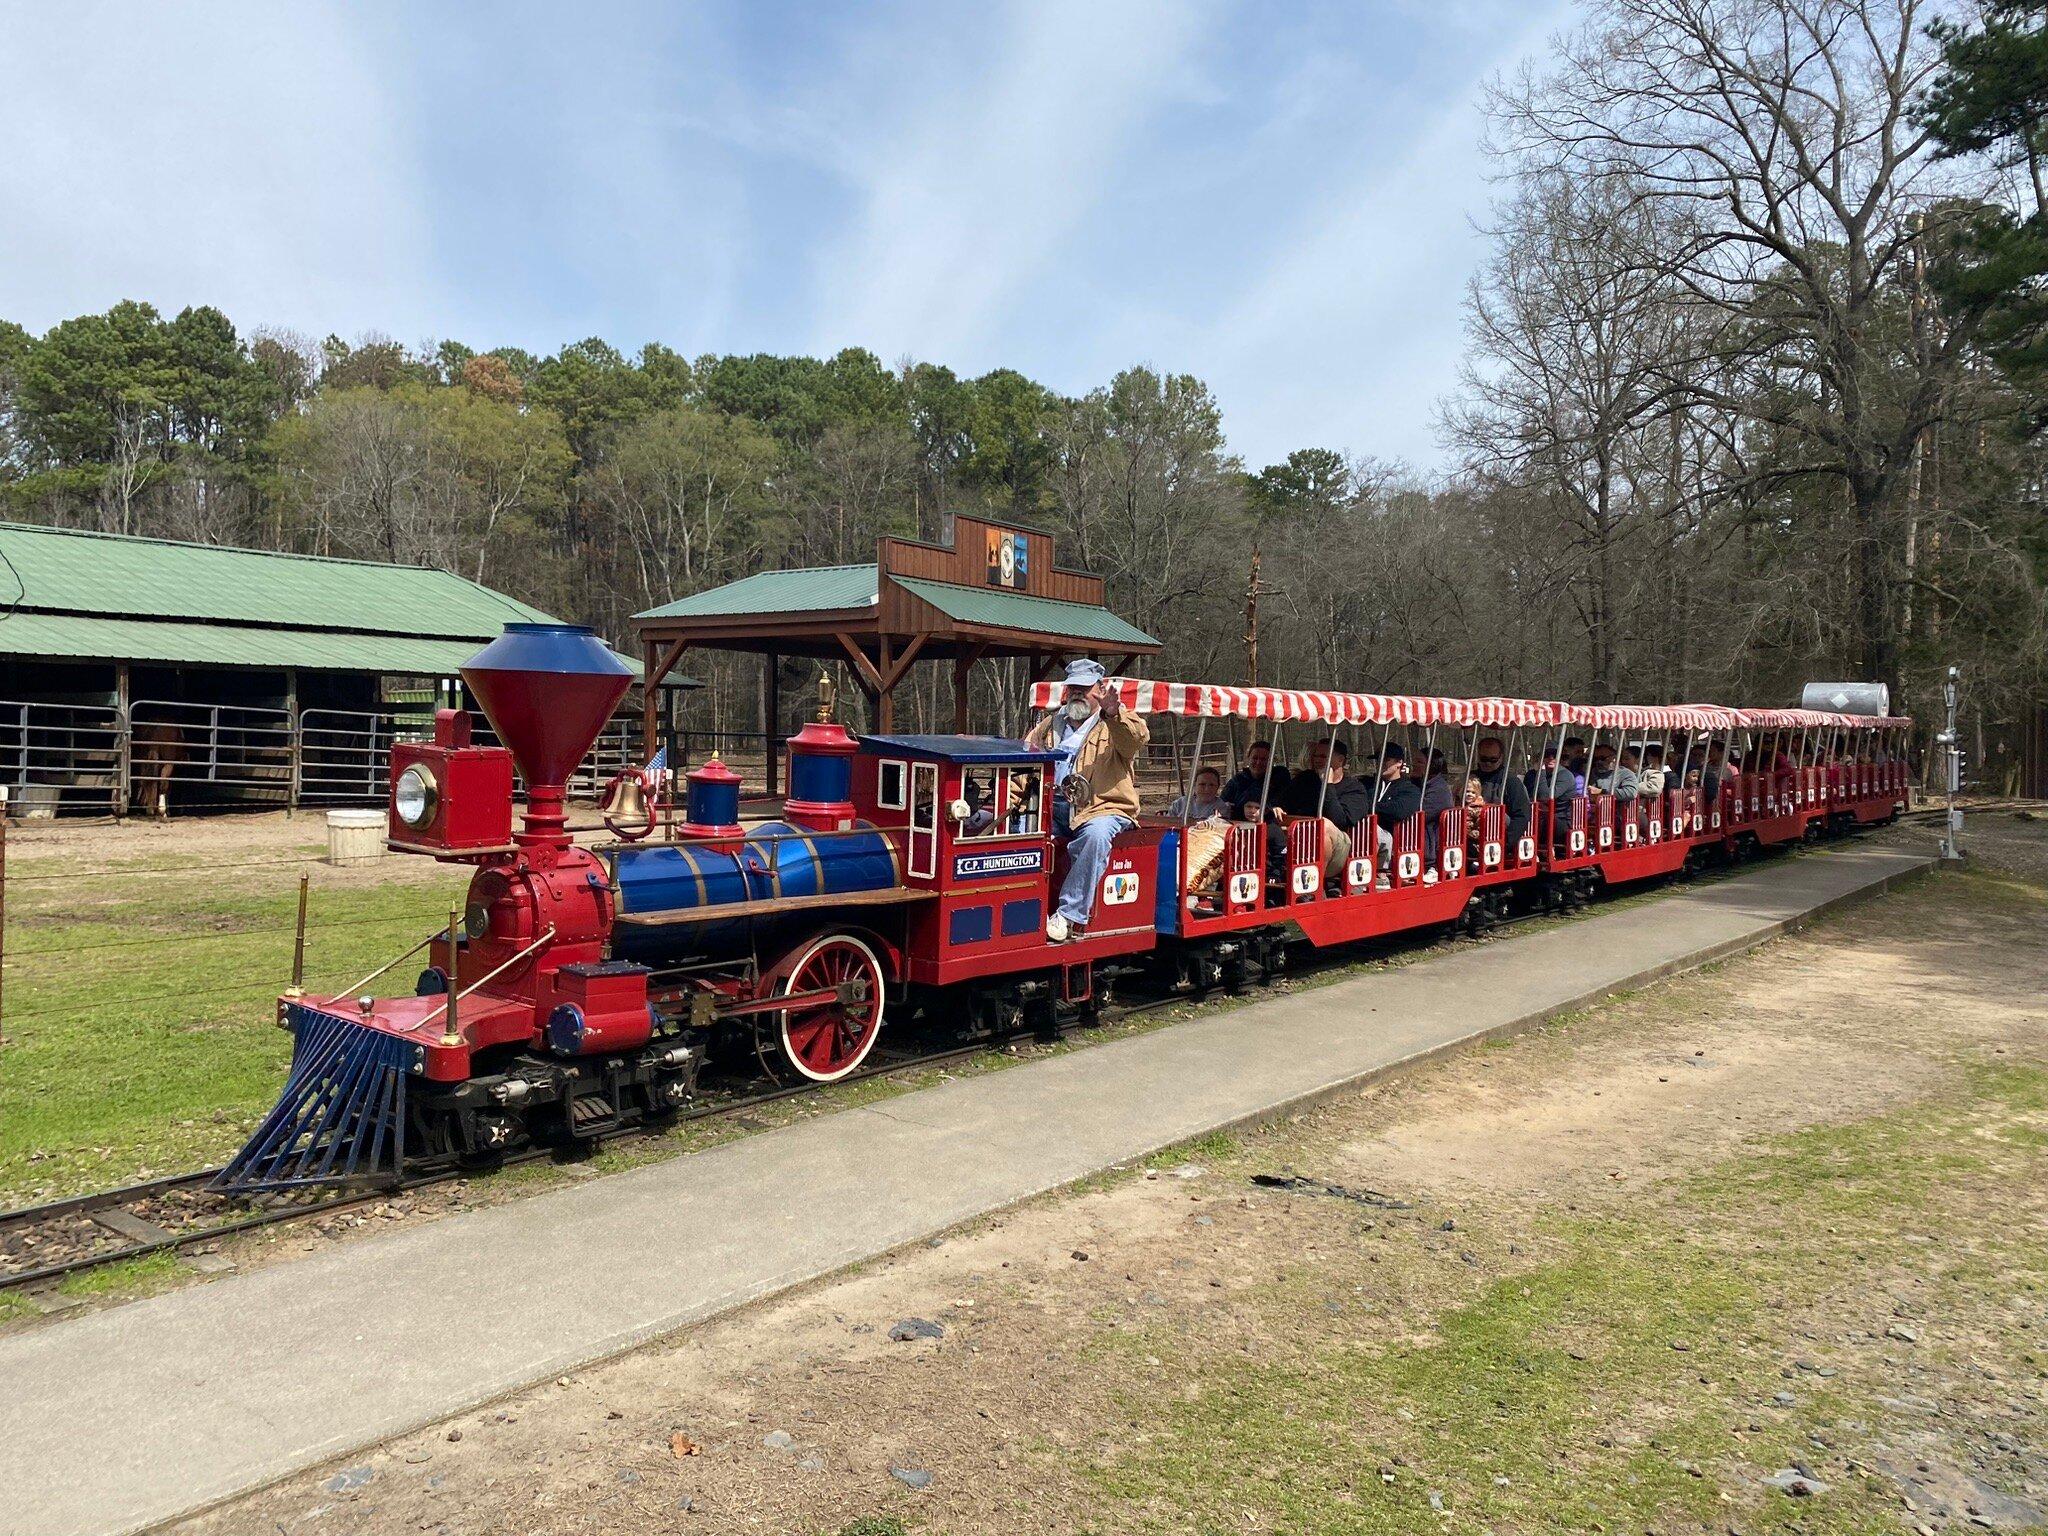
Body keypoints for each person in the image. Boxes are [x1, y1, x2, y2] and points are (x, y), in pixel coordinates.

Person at [1023, 657, 1150, 943]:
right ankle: (1027, 908)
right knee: (1019, 835)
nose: (1077, 693)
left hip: (1102, 807)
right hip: (1052, 807)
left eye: (1084, 687)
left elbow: (1135, 740)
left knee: (1095, 836)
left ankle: (1068, 916)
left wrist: (1113, 714)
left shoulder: (1115, 722)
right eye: (1072, 688)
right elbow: (1025, 763)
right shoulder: (1049, 725)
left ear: (1099, 690)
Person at [1276, 737, 1370, 883]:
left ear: (1340, 760)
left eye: (1323, 756)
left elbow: (1340, 821)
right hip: (1300, 840)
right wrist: (1276, 808)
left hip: (1339, 848)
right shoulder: (1305, 779)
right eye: (1315, 755)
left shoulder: (1355, 789)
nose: (1317, 760)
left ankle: (1315, 883)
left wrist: (1328, 785)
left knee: (1323, 824)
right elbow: (1283, 802)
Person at [1468, 735, 1532, 855]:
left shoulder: (1511, 782)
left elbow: (1522, 815)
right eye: (1483, 759)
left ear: (1501, 758)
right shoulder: (1470, 778)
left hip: (1498, 837)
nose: (1487, 763)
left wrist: (1505, 844)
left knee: (1498, 814)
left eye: (1493, 760)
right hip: (1471, 830)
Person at [1369, 742, 1422, 871]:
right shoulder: (1368, 785)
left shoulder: (1409, 789)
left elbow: (1398, 811)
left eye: (1385, 760)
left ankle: (1381, 871)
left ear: (1399, 763)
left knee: (1375, 832)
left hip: (1392, 840)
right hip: (1364, 833)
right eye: (1378, 760)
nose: (1380, 763)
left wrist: (1371, 806)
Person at [1219, 739, 1289, 825]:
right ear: (1248, 758)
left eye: (1263, 759)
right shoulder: (1238, 780)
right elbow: (1222, 802)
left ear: (1271, 762)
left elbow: (1281, 797)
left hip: (1267, 825)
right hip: (1237, 826)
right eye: (1255, 758)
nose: (1258, 762)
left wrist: (1271, 807)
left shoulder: (1279, 777)